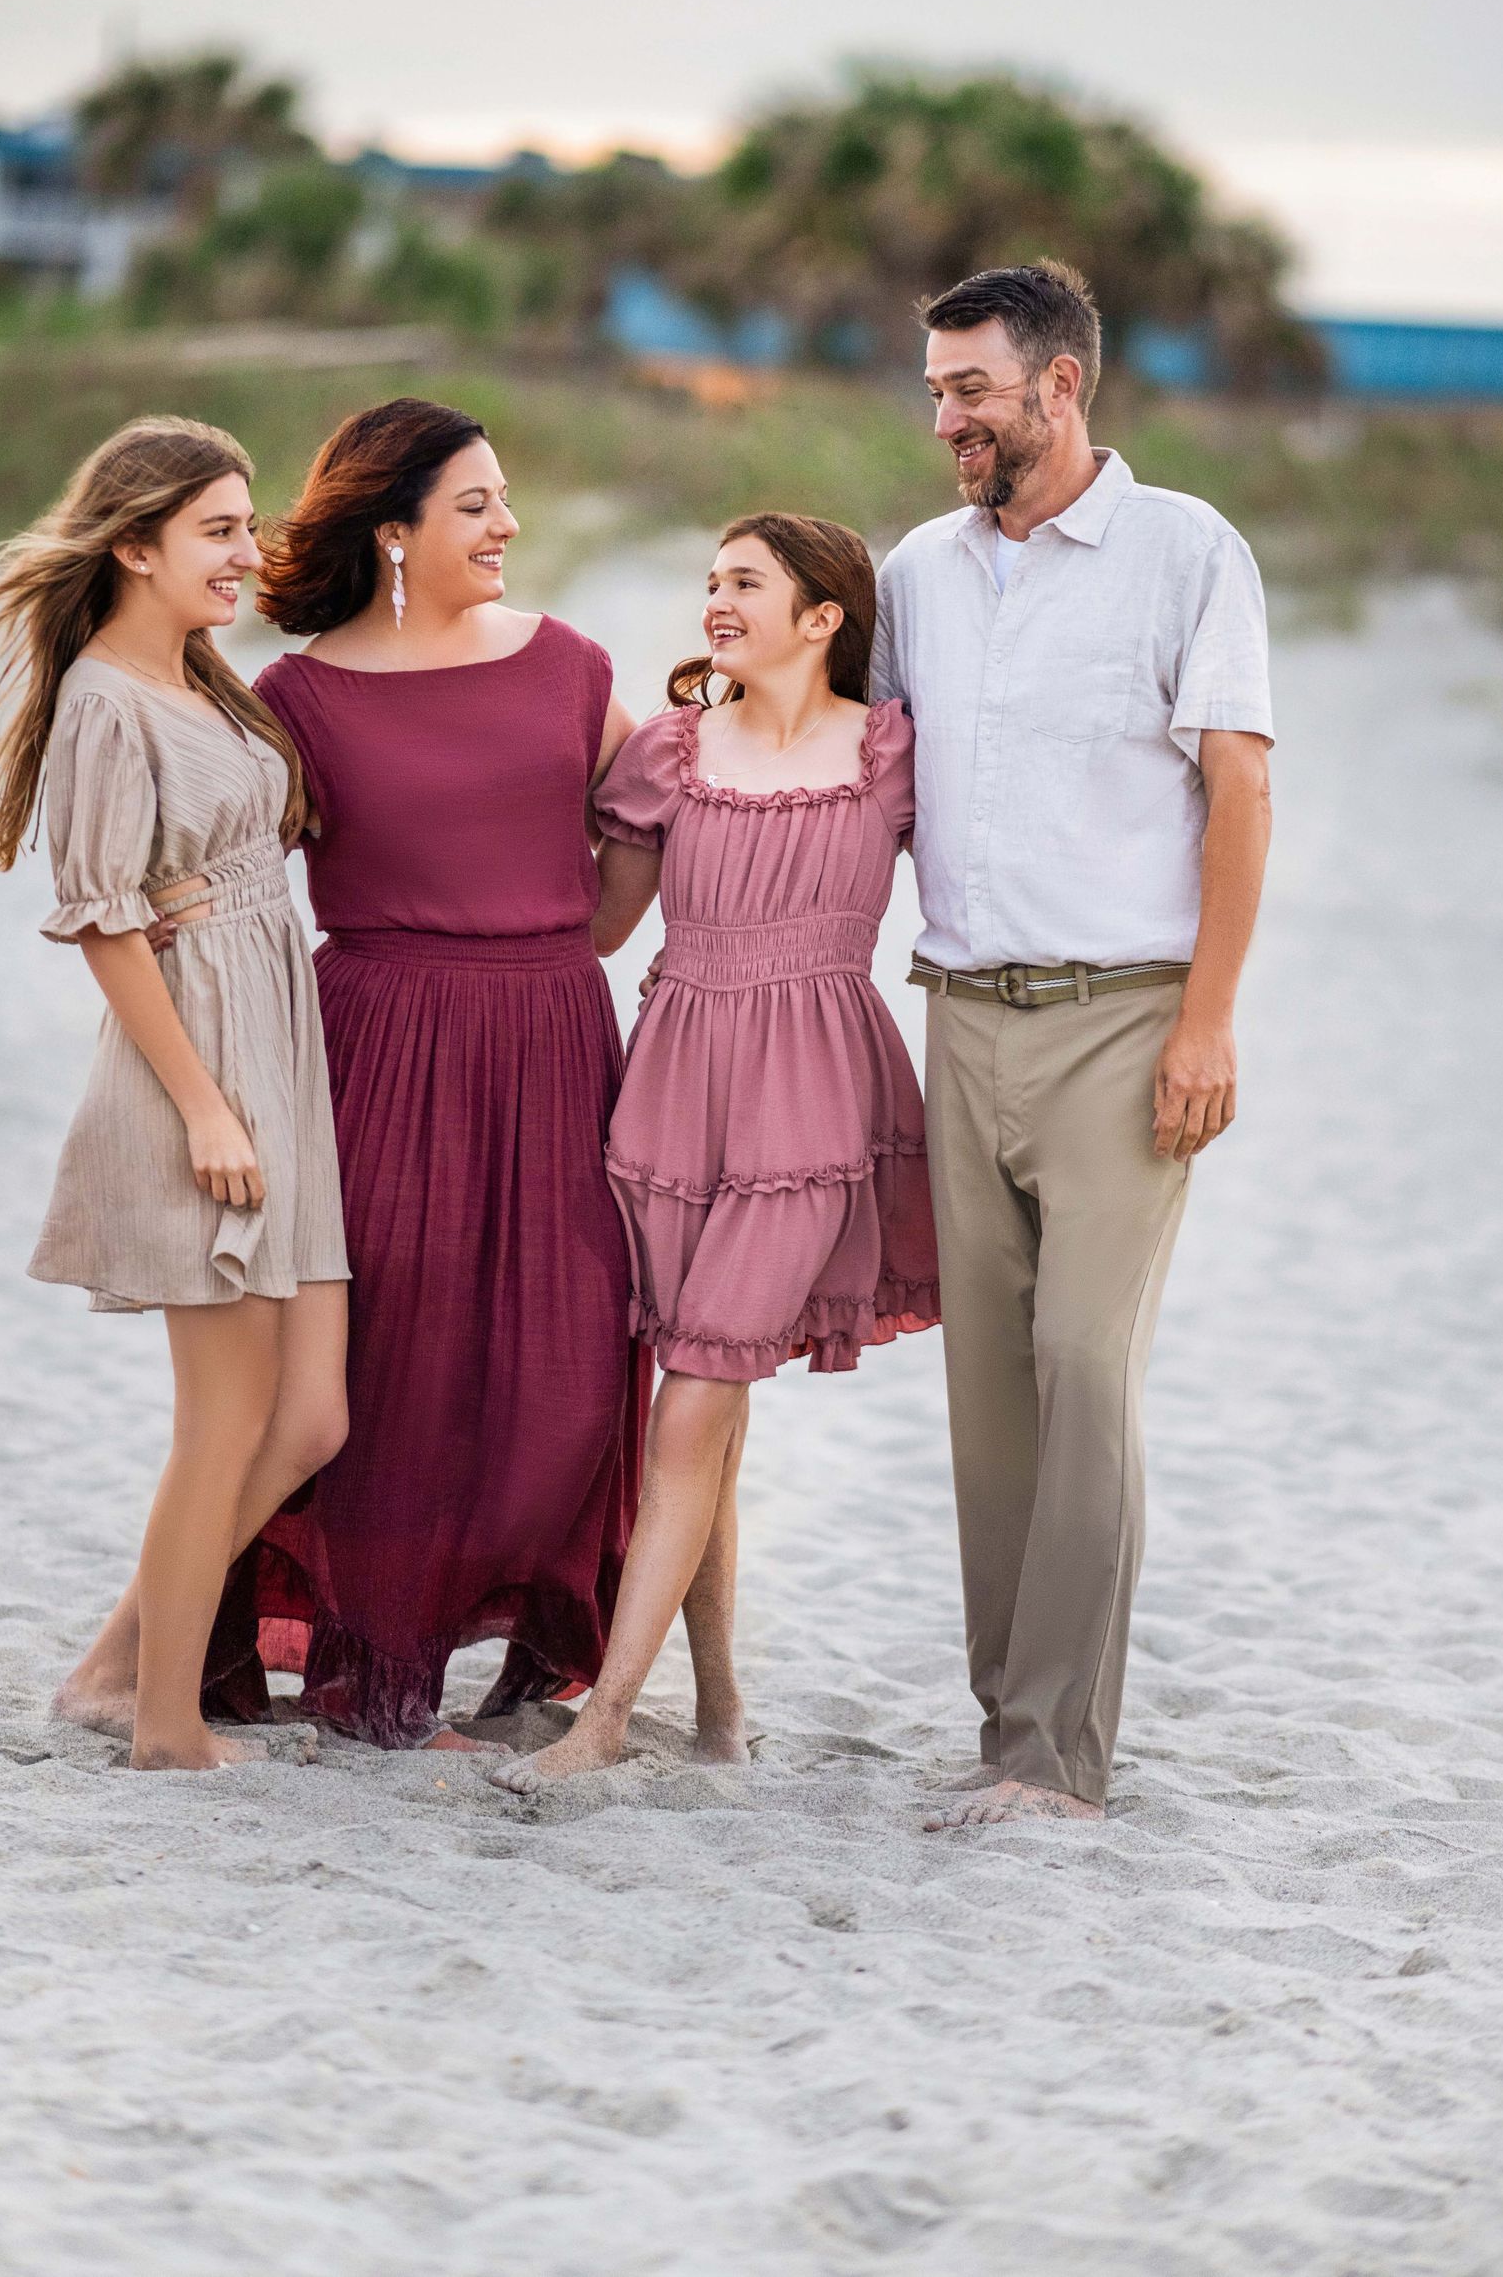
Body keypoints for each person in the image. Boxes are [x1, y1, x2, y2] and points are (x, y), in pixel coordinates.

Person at [872, 260, 1274, 1828]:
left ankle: (1058, 1759)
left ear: (1061, 385)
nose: (948, 416)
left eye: (971, 387)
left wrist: (1209, 1019)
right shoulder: (918, 568)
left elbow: (1239, 791)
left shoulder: (1186, 550)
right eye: (935, 391)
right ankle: (1004, 1728)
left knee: (1087, 1366)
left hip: (1126, 1021)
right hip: (959, 1016)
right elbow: (866, 775)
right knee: (995, 1395)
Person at [201, 399, 648, 1750]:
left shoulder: (571, 665)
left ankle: (520, 1642)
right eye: (475, 505)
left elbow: (634, 867)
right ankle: (377, 1674)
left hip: (557, 1033)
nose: (507, 524)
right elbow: (231, 885)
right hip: (379, 1042)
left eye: (505, 500)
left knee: (568, 1362)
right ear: (392, 529)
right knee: (393, 1374)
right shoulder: (299, 699)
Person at [0, 416, 350, 1772]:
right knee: (221, 1418)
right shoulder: (104, 697)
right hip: (200, 1062)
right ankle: (163, 1723)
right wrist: (208, 1106)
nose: (246, 548)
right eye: (217, 528)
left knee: (312, 1415)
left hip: (277, 1039)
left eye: (249, 521)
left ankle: (111, 1666)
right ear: (135, 545)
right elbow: (103, 920)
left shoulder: (204, 680)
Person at [493, 514, 938, 1791]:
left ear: (823, 618)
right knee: (706, 1410)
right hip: (673, 1097)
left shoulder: (896, 754)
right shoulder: (669, 755)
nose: (716, 603)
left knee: (694, 1394)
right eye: (710, 583)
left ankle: (605, 1721)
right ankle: (724, 1708)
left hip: (815, 1105)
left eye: (746, 583)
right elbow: (595, 929)